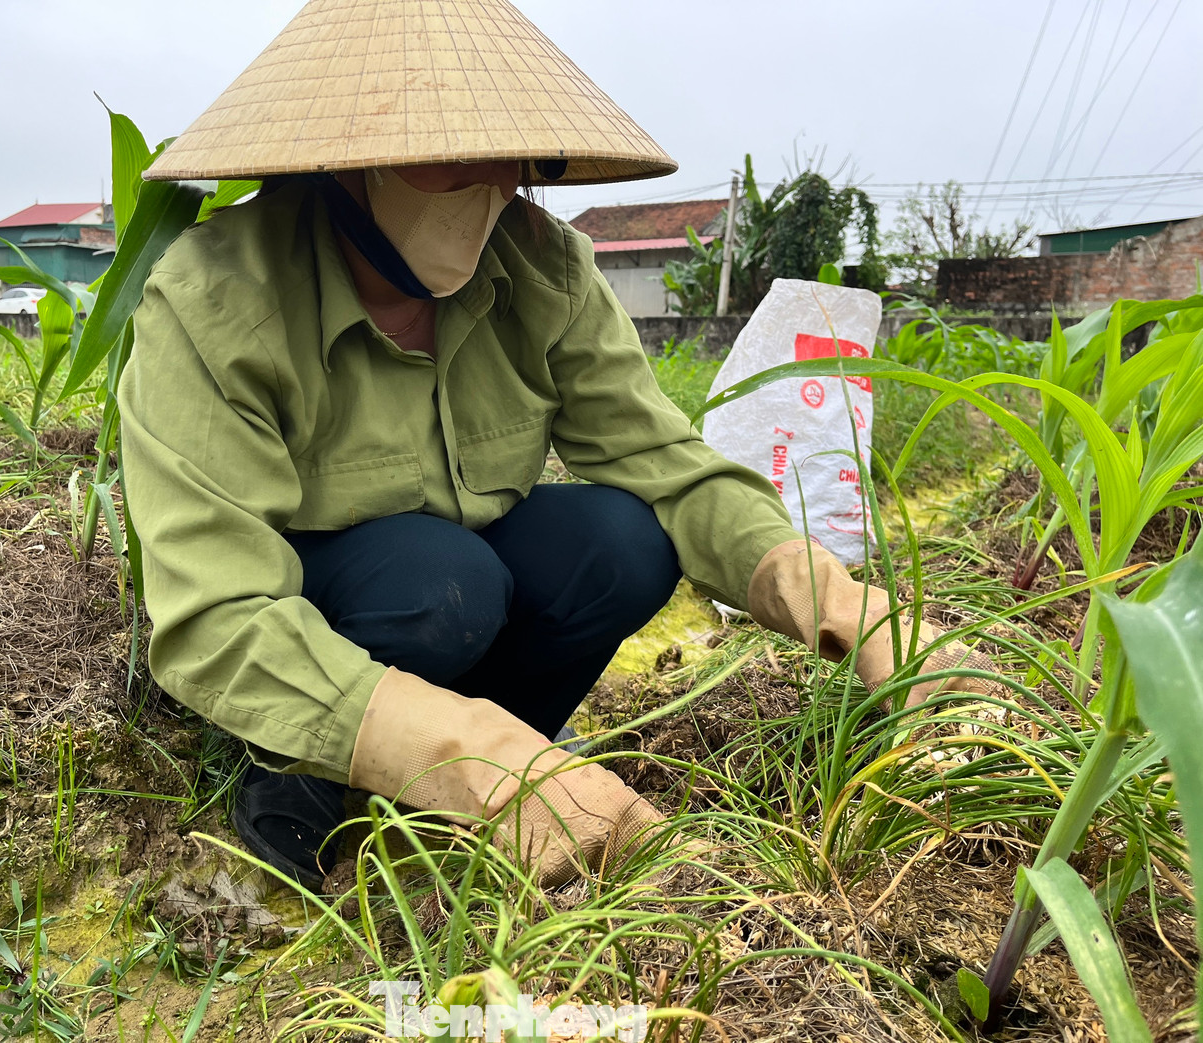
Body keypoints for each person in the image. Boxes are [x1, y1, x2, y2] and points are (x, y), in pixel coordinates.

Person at [119, 0, 994, 889]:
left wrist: (844, 609)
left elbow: (672, 470)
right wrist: (471, 756)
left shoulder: (542, 269)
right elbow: (217, 615)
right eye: (453, 152)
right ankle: (307, 780)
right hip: (338, 601)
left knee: (623, 542)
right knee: (441, 583)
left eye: (514, 156)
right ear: (356, 154)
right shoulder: (216, 298)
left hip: (469, 568)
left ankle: (516, 742)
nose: (494, 185)